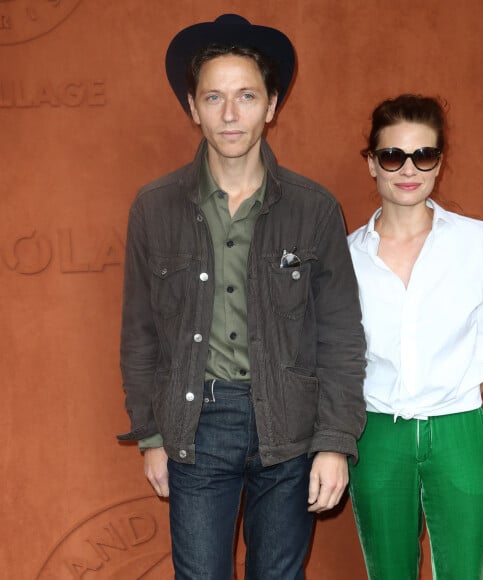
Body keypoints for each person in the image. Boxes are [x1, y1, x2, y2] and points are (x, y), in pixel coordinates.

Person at [117, 14, 367, 580]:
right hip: (197, 420)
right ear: (193, 106)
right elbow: (140, 334)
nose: (231, 115)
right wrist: (151, 435)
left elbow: (341, 336)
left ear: (272, 105)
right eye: (215, 97)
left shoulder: (315, 208)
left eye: (247, 96)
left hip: (291, 421)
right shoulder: (154, 208)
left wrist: (334, 442)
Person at [347, 94, 483, 580]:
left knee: (464, 574)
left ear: (439, 163)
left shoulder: (475, 241)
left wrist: (447, 401)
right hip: (376, 433)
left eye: (425, 154)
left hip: (459, 429)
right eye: (393, 155)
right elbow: (340, 356)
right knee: (388, 574)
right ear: (372, 164)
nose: (408, 169)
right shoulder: (348, 256)